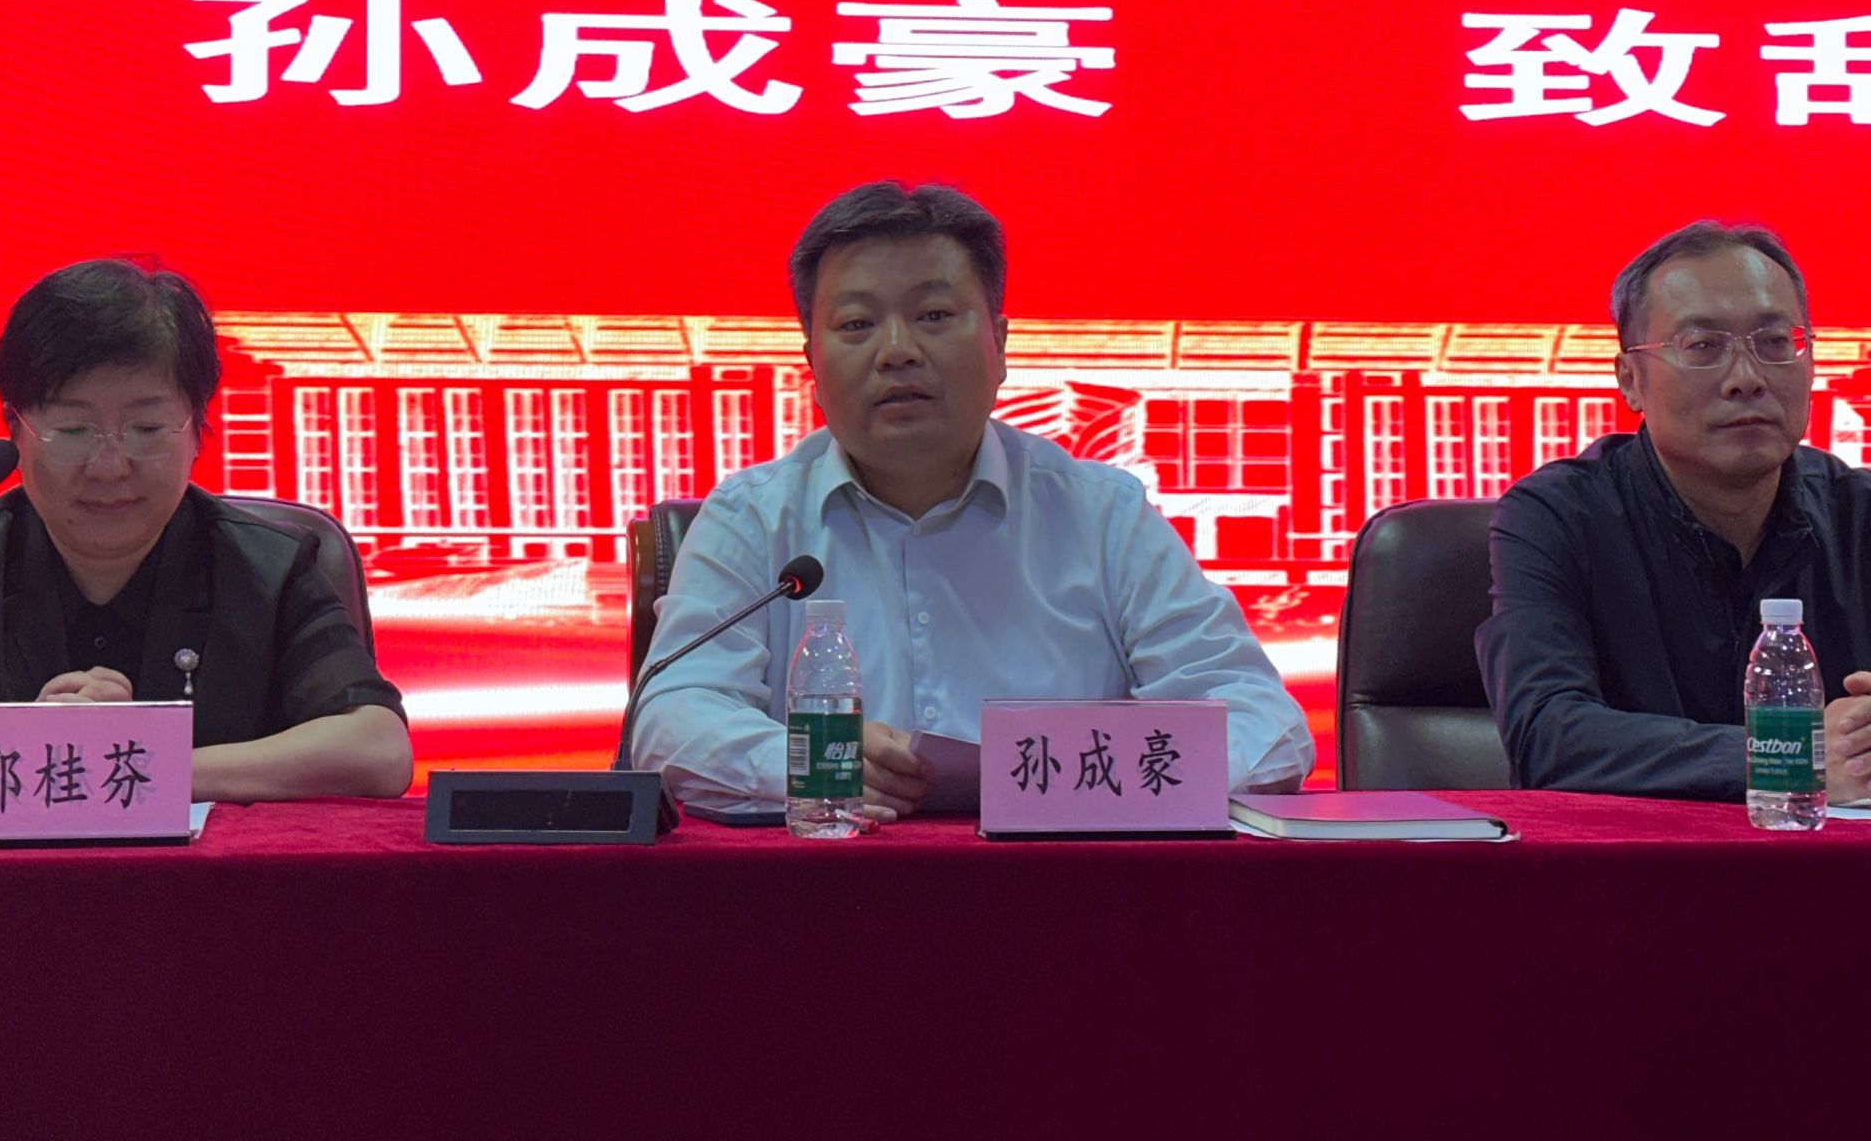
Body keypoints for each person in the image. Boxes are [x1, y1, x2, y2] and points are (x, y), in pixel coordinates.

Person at [630, 181, 1313, 817]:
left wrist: (1088, 777)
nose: (897, 351)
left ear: (1000, 344)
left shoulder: (1103, 515)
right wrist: (812, 764)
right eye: (857, 324)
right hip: (831, 885)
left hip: (1064, 887)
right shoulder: (751, 517)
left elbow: (1264, 722)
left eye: (933, 315)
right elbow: (672, 720)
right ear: (812, 361)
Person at [0, 259, 413, 805]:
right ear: (16, 431)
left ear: (197, 430)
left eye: (147, 428)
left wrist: (135, 766)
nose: (110, 466)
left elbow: (378, 750)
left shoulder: (269, 569)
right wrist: (39, 763)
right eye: (74, 430)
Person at [1477, 221, 1871, 800]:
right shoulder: (1557, 517)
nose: (1746, 379)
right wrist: (1786, 755)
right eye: (1703, 347)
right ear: (1630, 381)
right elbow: (1547, 736)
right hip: (1637, 857)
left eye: (1774, 343)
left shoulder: (1859, 515)